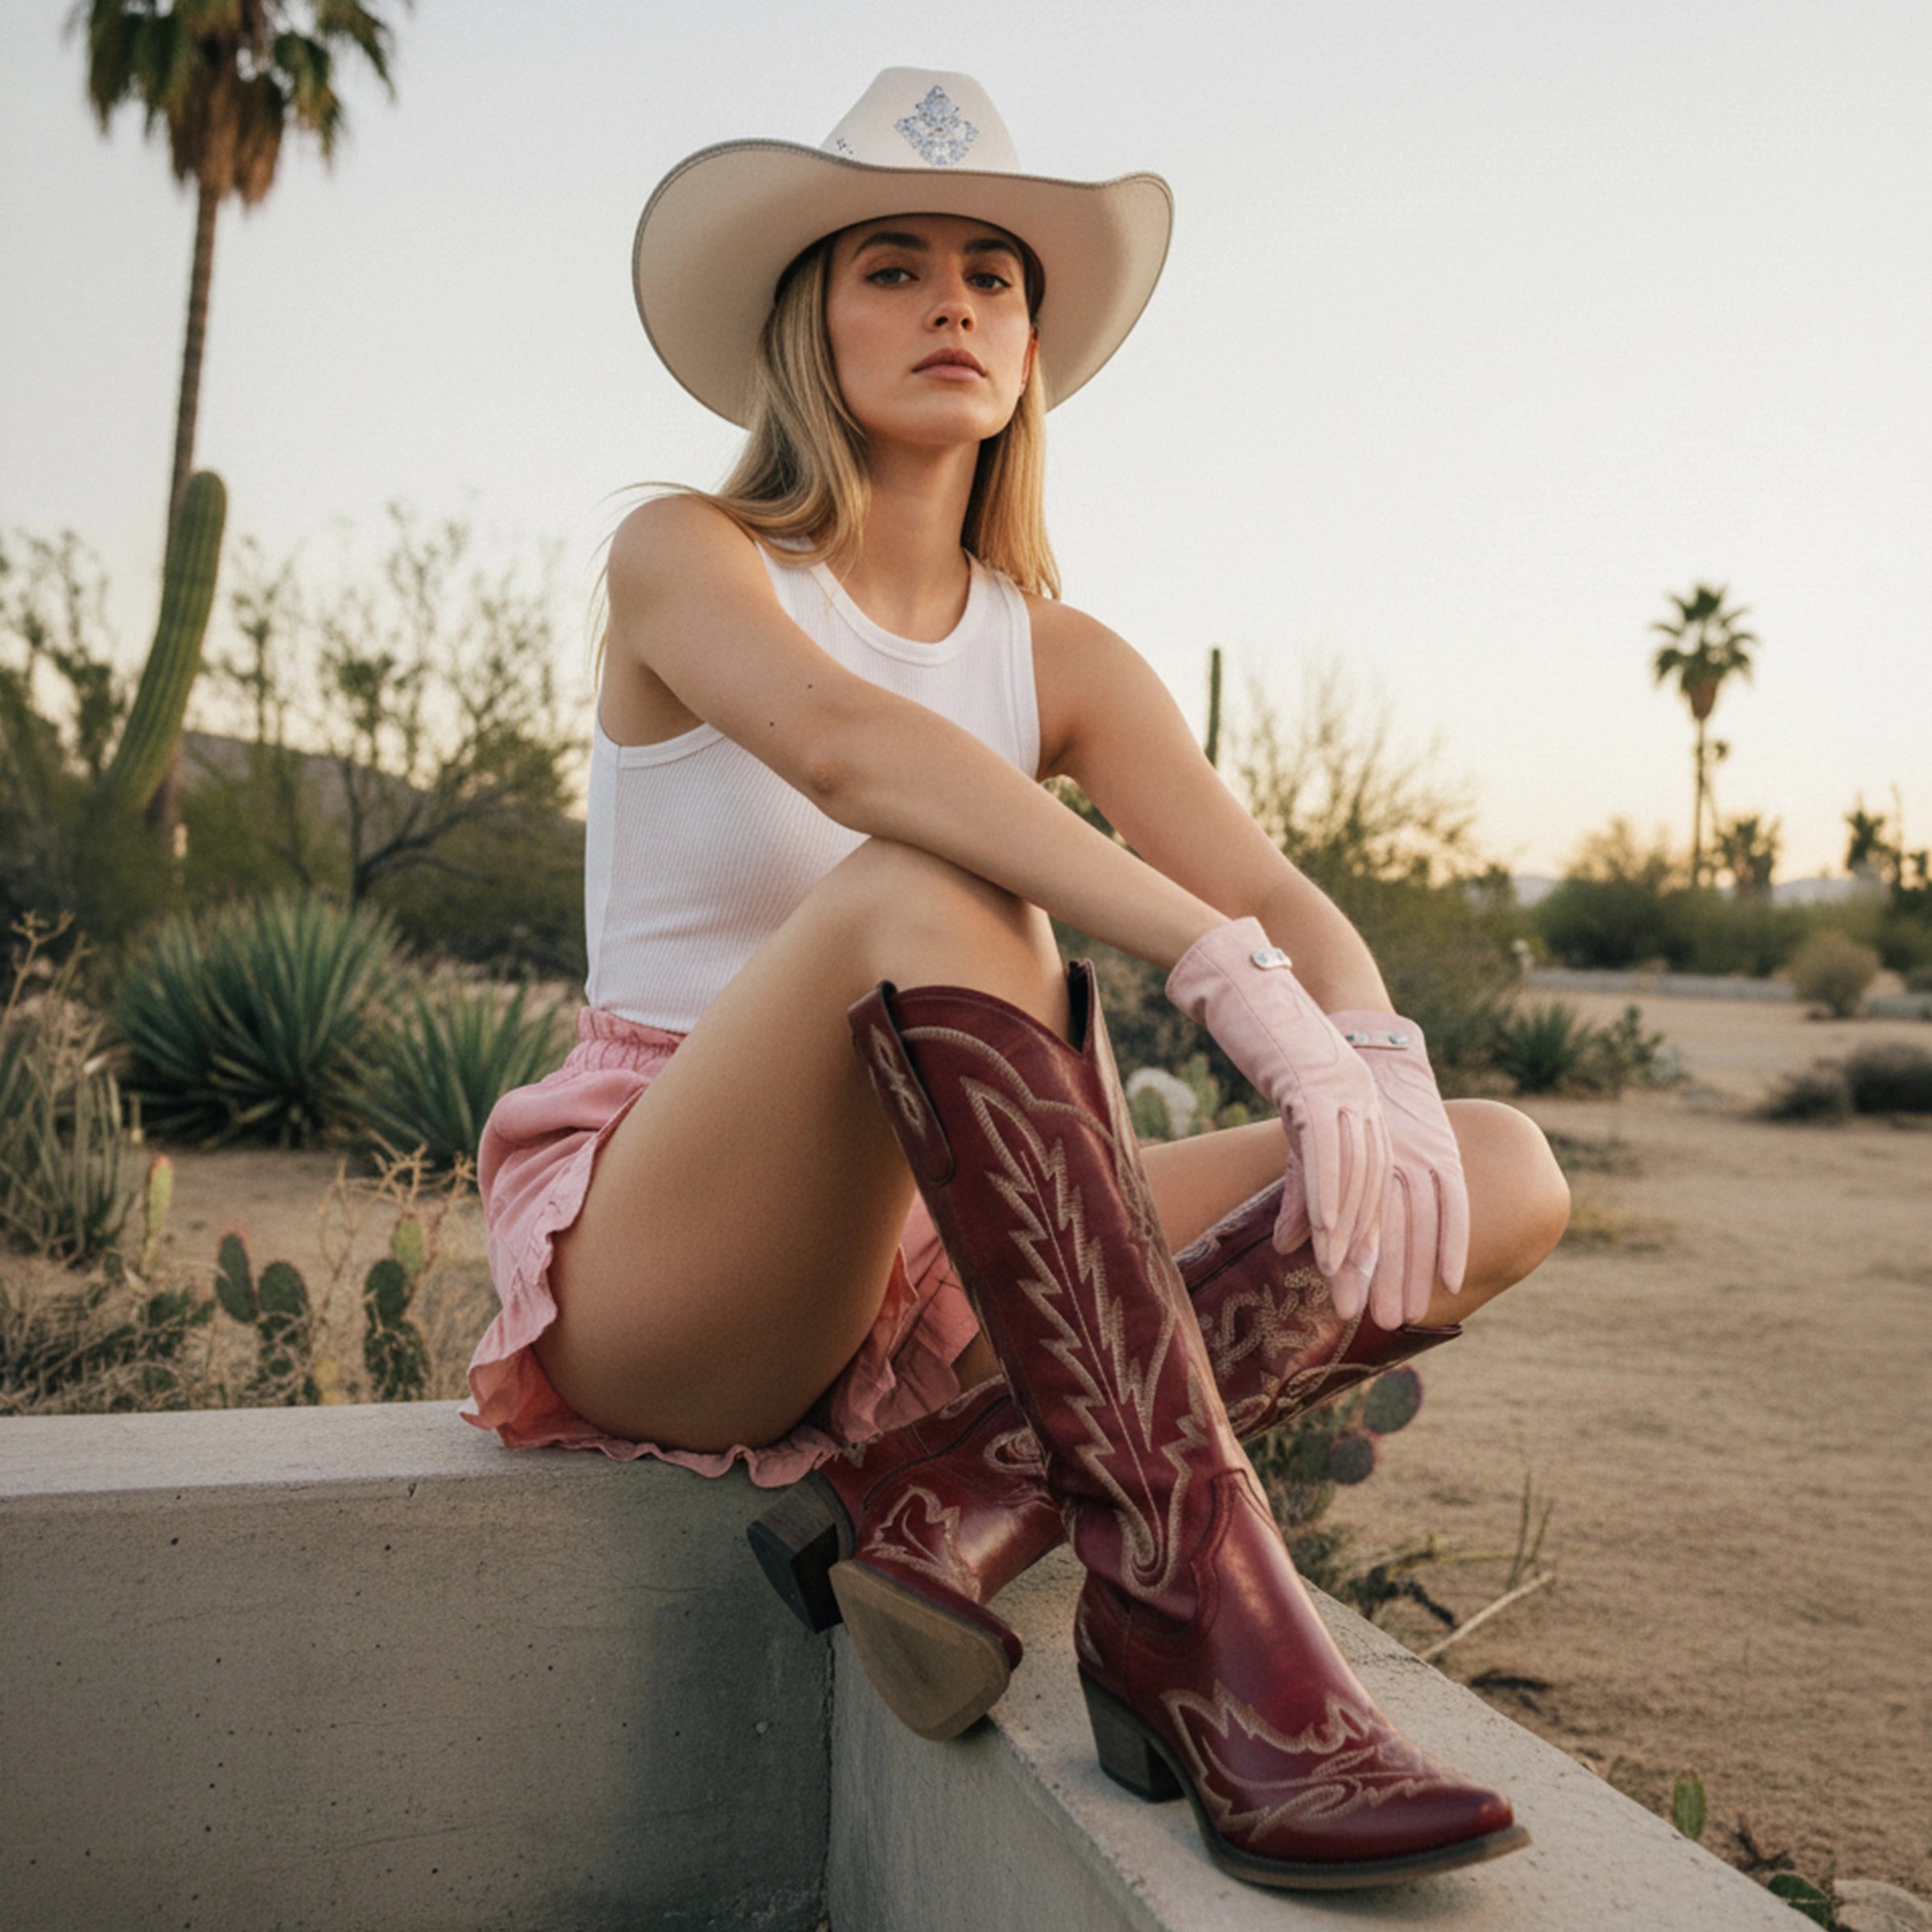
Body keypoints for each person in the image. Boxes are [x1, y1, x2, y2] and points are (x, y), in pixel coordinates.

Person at [463, 68, 1571, 1891]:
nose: (952, 300)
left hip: (952, 1250)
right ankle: (1206, 1630)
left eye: (990, 273)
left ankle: (955, 1502)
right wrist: (1214, 972)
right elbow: (849, 751)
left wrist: (1355, 1038)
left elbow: (1275, 883)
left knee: (1492, 1169)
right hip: (675, 1243)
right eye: (890, 266)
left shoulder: (1059, 651)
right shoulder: (685, 552)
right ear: (808, 326)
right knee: (939, 883)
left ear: (1034, 342)